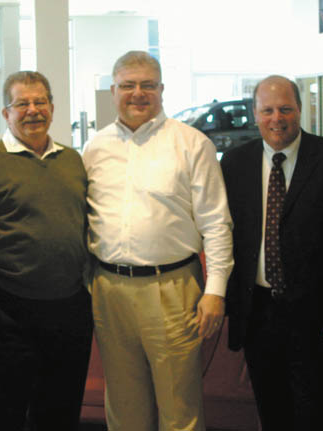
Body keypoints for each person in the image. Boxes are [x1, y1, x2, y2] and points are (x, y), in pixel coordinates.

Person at [83, 50, 234, 431]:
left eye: (147, 85)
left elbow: (216, 223)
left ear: (162, 89)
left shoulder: (192, 144)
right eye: (128, 85)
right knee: (123, 407)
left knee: (179, 409)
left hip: (173, 290)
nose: (138, 93)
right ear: (113, 90)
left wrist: (215, 290)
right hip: (109, 291)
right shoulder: (95, 148)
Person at [220, 76, 323, 431]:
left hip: (317, 318)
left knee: (313, 413)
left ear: (300, 110)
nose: (277, 118)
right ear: (254, 114)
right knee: (271, 411)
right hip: (258, 313)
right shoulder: (235, 164)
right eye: (267, 110)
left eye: (285, 109)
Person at [0, 71, 93, 431]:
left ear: (52, 108)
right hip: (9, 314)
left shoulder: (73, 161)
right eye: (22, 103)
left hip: (69, 312)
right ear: (6, 113)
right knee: (5, 415)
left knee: (60, 413)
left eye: (40, 102)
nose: (33, 111)